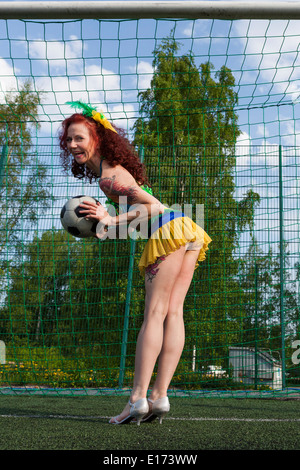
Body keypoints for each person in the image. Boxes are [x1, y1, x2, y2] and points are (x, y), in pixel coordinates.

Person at [59, 101, 212, 425]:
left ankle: (137, 399)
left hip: (168, 229)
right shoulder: (114, 170)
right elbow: (143, 214)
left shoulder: (109, 178)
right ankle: (159, 396)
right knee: (173, 313)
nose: (72, 145)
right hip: (187, 230)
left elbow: (152, 207)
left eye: (79, 138)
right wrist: (110, 227)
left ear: (97, 138)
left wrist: (108, 218)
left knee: (155, 314)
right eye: (68, 140)